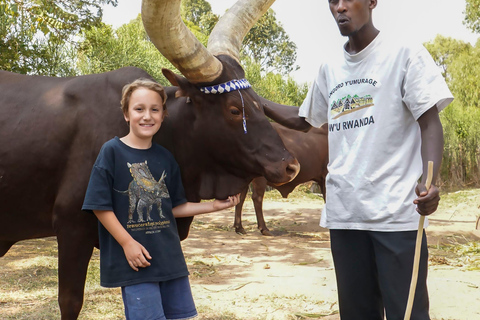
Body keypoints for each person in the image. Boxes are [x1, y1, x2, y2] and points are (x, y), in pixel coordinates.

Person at [263, 0, 453, 319]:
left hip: (396, 214)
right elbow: (303, 119)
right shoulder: (330, 67)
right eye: (332, 1)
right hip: (345, 214)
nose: (340, 8)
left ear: (372, 1)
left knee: (407, 313)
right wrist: (252, 98)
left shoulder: (404, 54)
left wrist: (430, 182)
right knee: (356, 313)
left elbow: (430, 122)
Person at [82, 78, 240, 320]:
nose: (147, 116)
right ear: (126, 114)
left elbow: (173, 207)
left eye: (154, 109)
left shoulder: (165, 157)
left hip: (170, 261)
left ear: (163, 115)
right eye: (139, 109)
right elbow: (99, 206)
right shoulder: (111, 152)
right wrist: (127, 243)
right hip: (137, 262)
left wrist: (214, 206)